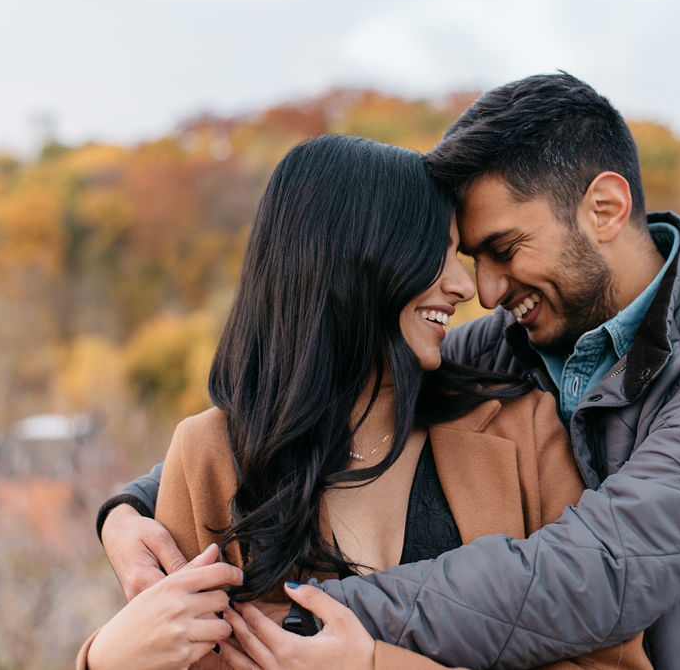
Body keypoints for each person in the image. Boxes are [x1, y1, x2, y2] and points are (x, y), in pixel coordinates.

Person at [99, 73, 680, 669]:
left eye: (504, 248)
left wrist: (282, 621)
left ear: (605, 207)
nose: (486, 291)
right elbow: (316, 407)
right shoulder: (509, 347)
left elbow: (594, 575)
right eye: (471, 258)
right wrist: (128, 513)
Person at [80, 134, 650, 669]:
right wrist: (103, 659)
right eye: (440, 254)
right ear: (357, 260)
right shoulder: (210, 456)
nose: (464, 287)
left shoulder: (525, 431)